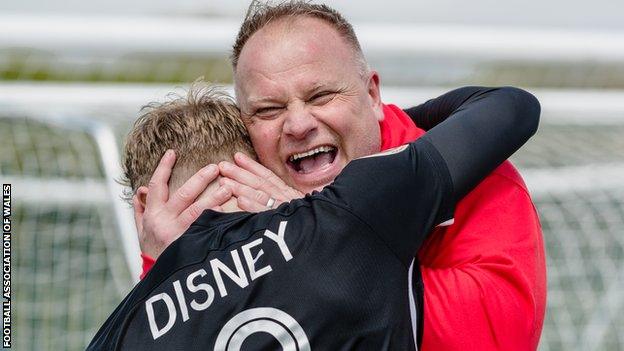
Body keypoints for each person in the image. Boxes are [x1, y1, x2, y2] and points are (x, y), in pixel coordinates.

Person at [136, 2, 547, 349]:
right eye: (268, 110)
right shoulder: (238, 202)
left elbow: (501, 334)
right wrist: (164, 267)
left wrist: (312, 241)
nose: (297, 124)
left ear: (372, 96)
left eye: (321, 96)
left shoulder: (477, 175)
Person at [88, 79, 539, 350]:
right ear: (260, 170)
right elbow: (511, 107)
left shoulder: (119, 333)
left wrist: (158, 269)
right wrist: (370, 121)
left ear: (146, 206)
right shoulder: (335, 235)